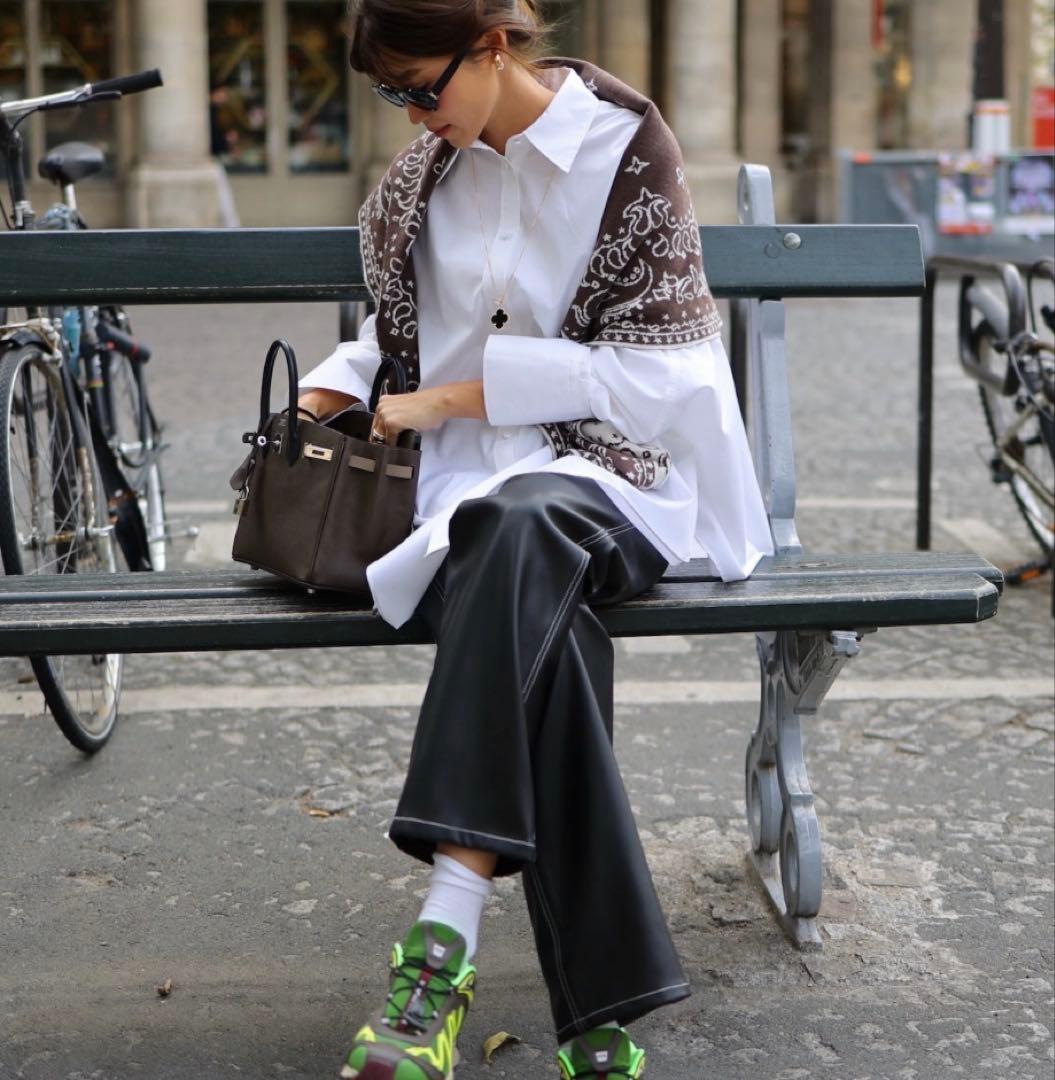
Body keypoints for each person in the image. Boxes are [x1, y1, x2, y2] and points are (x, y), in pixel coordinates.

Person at [297, 2, 773, 1077]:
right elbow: (403, 333)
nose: (411, 115)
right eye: (391, 95)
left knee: (517, 525)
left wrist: (460, 398)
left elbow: (662, 382)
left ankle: (441, 943)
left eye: (422, 87)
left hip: (616, 479)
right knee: (521, 580)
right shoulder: (421, 181)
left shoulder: (625, 154)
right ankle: (600, 1013)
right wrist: (330, 391)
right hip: (459, 504)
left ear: (493, 46)